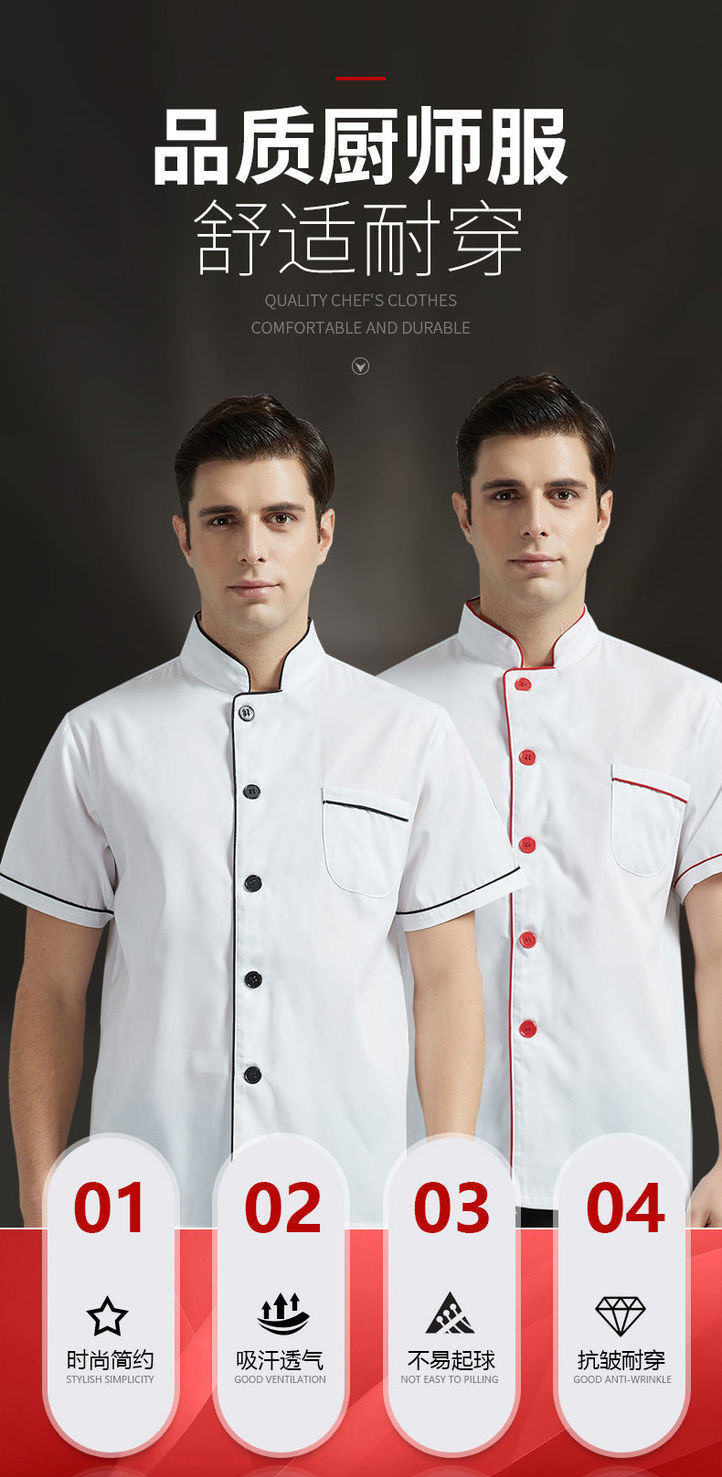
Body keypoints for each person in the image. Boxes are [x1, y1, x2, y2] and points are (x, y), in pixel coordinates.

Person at [1, 394, 523, 1228]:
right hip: (149, 1210)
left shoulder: (410, 736)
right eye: (222, 520)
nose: (252, 548)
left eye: (280, 517)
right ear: (184, 538)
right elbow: (52, 989)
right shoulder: (97, 741)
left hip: (356, 1207)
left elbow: (448, 983)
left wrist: (447, 1185)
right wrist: (38, 1191)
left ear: (323, 534)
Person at [383, 373, 722, 1227]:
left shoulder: (691, 712)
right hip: (422, 1174)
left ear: (601, 515)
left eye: (562, 494)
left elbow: (719, 957)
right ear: (464, 515)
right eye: (505, 494)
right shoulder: (381, 717)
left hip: (631, 1176)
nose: (535, 521)